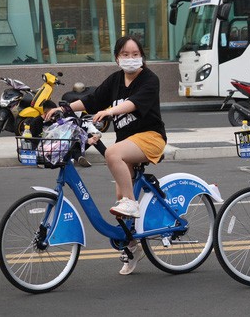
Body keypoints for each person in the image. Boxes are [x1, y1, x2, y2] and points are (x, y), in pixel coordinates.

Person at [46, 35, 167, 275]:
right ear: (117, 57)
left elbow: (132, 104)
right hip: (128, 143)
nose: (131, 59)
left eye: (135, 54)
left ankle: (133, 203)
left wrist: (109, 110)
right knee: (119, 198)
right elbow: (91, 100)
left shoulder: (150, 80)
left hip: (151, 138)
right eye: (125, 54)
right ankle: (133, 245)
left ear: (142, 56)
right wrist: (64, 108)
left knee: (113, 155)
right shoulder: (114, 81)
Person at [30, 100, 102, 167]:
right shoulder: (36, 122)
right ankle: (78, 157)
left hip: (59, 145)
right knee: (68, 146)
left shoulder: (58, 119)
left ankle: (106, 156)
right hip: (45, 148)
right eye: (52, 114)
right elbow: (34, 140)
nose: (54, 116)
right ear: (45, 113)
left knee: (88, 138)